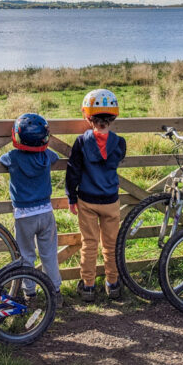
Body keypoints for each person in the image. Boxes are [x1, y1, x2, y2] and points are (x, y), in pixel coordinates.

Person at [66, 88, 127, 302]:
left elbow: (73, 170)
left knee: (89, 244)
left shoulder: (82, 142)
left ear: (87, 116)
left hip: (87, 200)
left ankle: (89, 287)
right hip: (110, 200)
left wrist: (71, 197)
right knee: (111, 245)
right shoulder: (119, 143)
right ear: (113, 117)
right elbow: (116, 160)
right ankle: (113, 284)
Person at [0, 113, 63, 307]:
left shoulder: (12, 157)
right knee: (49, 254)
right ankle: (55, 293)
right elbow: (56, 156)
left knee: (26, 255)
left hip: (24, 215)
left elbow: (1, 160)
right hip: (45, 212)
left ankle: (30, 294)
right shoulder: (46, 155)